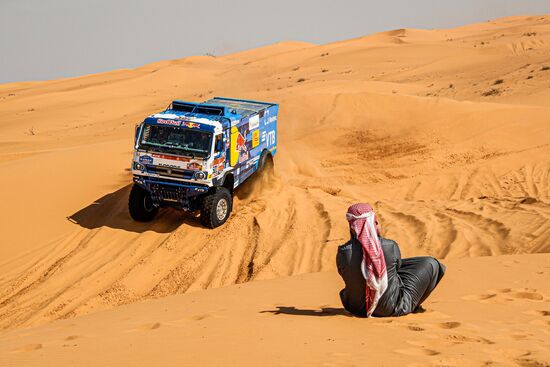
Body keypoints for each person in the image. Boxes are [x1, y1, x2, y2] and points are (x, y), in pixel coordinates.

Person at [336, 203, 445, 317]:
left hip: (355, 308)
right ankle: (412, 305)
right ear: (374, 223)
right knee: (431, 264)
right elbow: (397, 268)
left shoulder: (343, 252)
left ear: (352, 226)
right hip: (391, 308)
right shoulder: (390, 246)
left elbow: (343, 274)